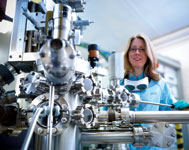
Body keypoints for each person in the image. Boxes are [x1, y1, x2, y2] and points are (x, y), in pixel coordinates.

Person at [122, 33, 178, 150]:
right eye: (133, 49)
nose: (137, 52)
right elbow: (107, 115)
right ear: (128, 54)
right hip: (124, 145)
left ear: (148, 54)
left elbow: (170, 112)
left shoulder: (159, 83)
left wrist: (179, 107)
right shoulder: (118, 84)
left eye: (142, 49)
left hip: (153, 146)